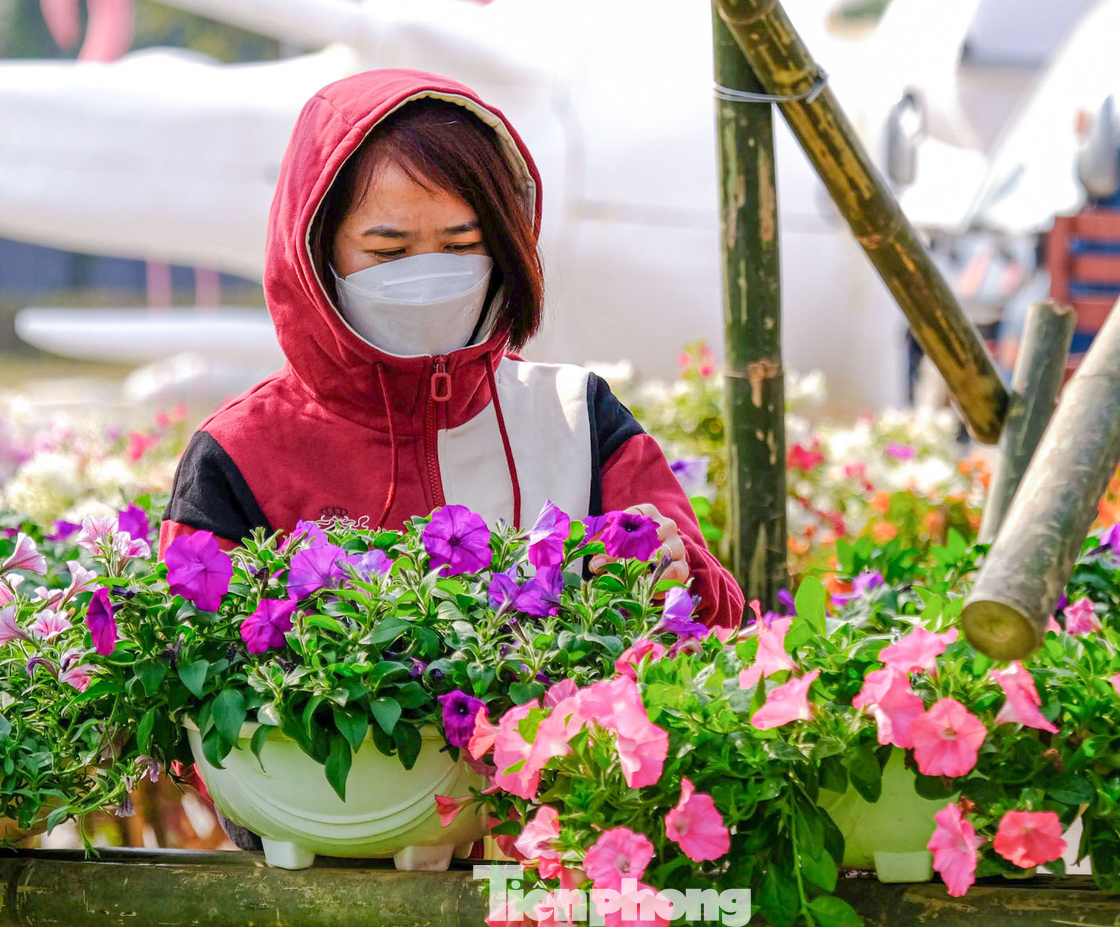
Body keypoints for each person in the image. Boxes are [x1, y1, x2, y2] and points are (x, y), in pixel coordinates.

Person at [159, 69, 745, 631]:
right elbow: (195, 659)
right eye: (389, 253)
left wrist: (675, 572)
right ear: (314, 250)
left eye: (462, 244)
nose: (429, 277)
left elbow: (715, 621)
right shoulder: (240, 455)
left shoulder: (577, 416)